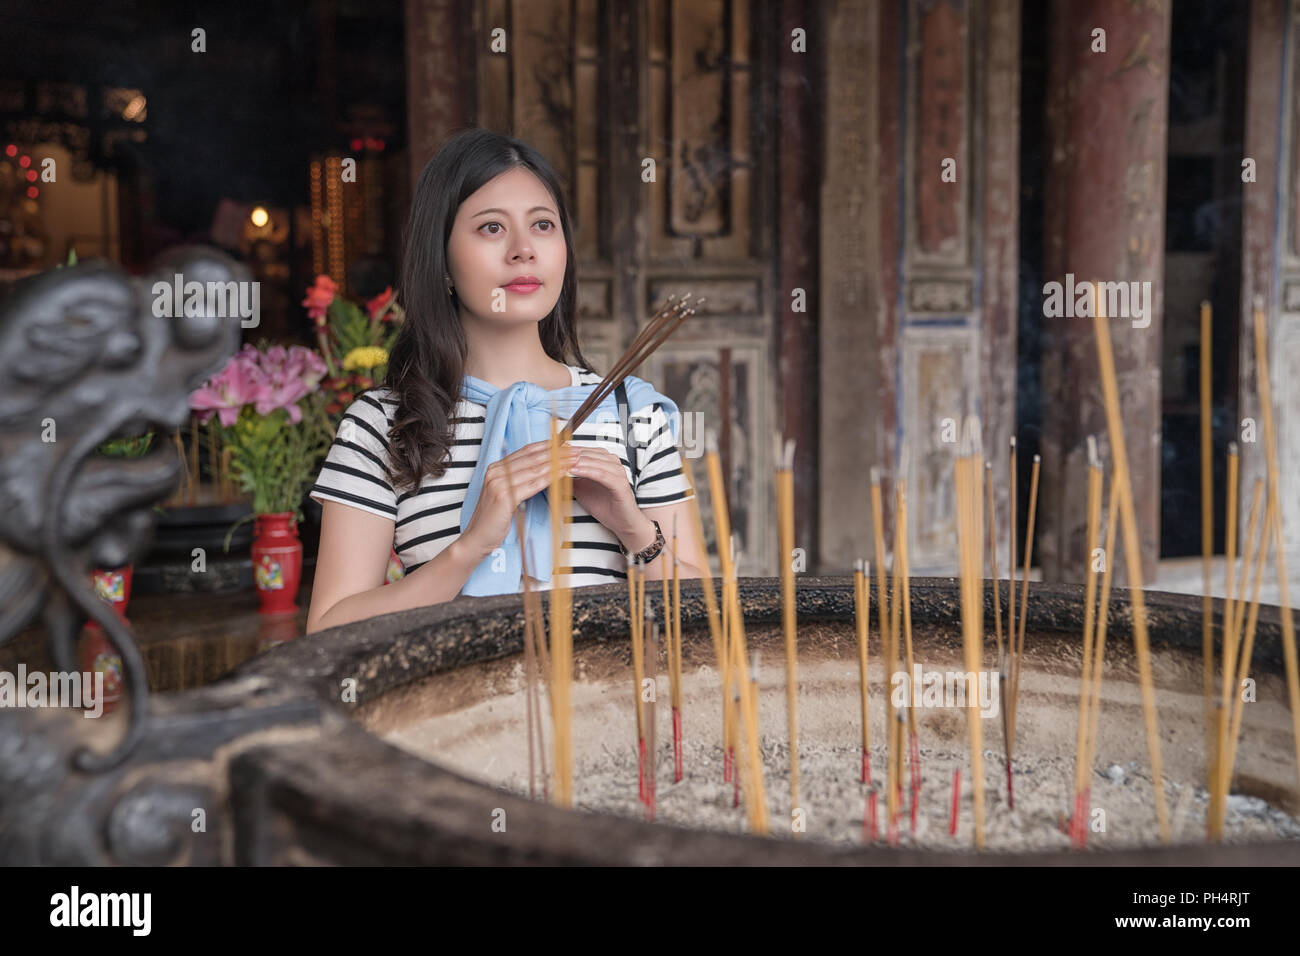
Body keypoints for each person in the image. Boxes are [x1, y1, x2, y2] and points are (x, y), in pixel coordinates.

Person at [305, 129, 707, 634]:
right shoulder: (383, 424)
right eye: (491, 228)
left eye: (543, 225)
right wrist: (469, 548)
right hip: (459, 712)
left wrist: (634, 529)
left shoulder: (631, 413)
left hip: (609, 709)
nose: (523, 250)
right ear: (443, 259)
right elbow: (328, 630)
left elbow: (706, 616)